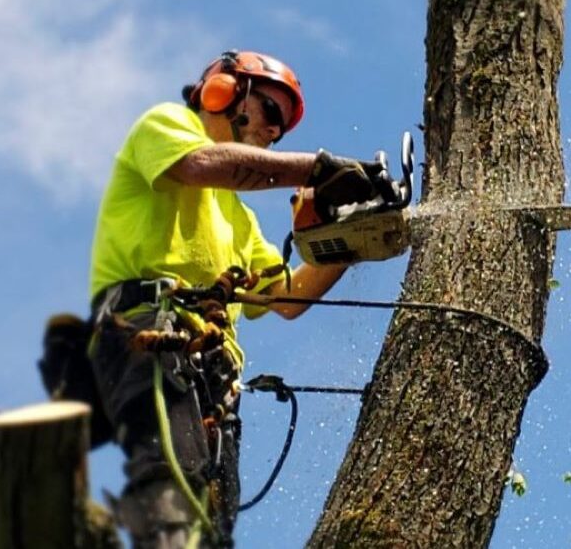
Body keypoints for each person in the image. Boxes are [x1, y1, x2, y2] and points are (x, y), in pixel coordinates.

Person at [87, 50, 386, 548]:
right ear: (224, 92)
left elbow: (285, 298)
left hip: (212, 379)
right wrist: (316, 169)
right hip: (150, 338)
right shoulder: (165, 127)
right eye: (271, 112)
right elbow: (204, 165)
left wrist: (353, 240)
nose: (273, 133)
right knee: (174, 499)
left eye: (281, 130)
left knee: (213, 532)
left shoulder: (240, 220)